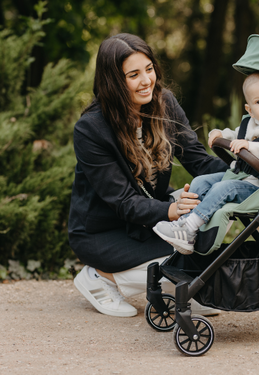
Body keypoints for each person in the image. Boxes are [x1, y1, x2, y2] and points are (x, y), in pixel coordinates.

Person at [68, 33, 228, 317]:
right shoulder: (90, 129)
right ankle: (101, 278)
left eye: (149, 69)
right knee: (180, 256)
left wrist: (244, 174)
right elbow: (123, 201)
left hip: (146, 220)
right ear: (113, 81)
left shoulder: (164, 103)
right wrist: (171, 210)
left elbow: (198, 160)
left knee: (208, 223)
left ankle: (182, 288)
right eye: (133, 74)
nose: (146, 81)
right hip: (103, 232)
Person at [153, 72, 259, 255]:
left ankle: (189, 227)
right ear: (250, 109)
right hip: (244, 177)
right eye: (258, 102)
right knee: (200, 182)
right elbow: (237, 134)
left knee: (224, 188)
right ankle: (185, 228)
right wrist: (221, 135)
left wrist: (252, 148)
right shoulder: (257, 123)